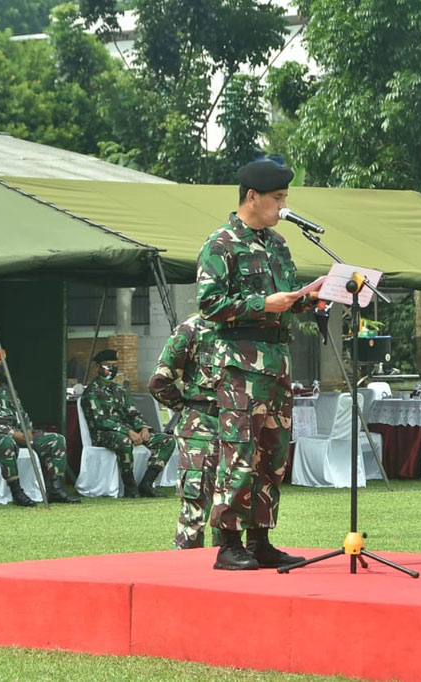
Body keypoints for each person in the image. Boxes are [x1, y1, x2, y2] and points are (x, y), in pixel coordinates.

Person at [196, 159, 317, 570]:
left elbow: (286, 298)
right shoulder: (222, 243)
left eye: (285, 198)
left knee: (273, 454)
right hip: (240, 366)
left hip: (277, 363)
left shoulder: (277, 244)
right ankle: (229, 544)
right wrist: (262, 304)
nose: (283, 206)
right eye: (277, 198)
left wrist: (308, 299)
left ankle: (260, 539)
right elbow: (209, 304)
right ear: (253, 196)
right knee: (240, 453)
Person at [0, 348, 79, 506]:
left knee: (56, 440)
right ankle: (16, 491)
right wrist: (12, 433)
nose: (2, 369)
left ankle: (56, 489)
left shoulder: (8, 389)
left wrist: (28, 430)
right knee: (6, 442)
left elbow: (22, 413)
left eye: (3, 365)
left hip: (18, 433)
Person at [149, 313, 220, 549]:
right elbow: (159, 382)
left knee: (231, 508)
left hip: (239, 428)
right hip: (201, 427)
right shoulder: (193, 328)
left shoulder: (246, 325)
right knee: (195, 508)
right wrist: (186, 408)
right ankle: (185, 565)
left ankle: (228, 561)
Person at [80, 348, 174, 498]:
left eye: (114, 365)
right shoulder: (91, 392)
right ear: (97, 367)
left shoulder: (119, 390)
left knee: (167, 440)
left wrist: (143, 428)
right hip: (103, 434)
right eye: (107, 365)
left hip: (129, 432)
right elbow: (102, 421)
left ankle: (147, 483)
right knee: (124, 441)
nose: (111, 368)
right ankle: (130, 486)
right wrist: (128, 432)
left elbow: (133, 412)